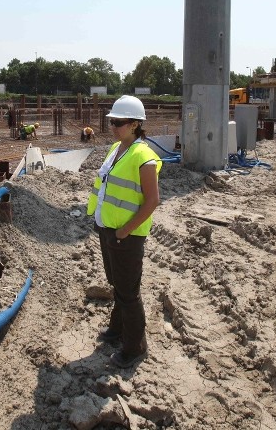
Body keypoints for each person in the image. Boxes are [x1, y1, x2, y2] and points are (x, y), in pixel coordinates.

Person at [87, 95, 161, 368]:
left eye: (118, 123)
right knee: (117, 284)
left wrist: (124, 232)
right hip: (108, 229)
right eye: (112, 122)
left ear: (134, 125)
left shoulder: (144, 156)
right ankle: (117, 330)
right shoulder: (117, 149)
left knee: (129, 293)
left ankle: (134, 347)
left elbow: (152, 201)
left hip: (126, 236)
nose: (113, 127)